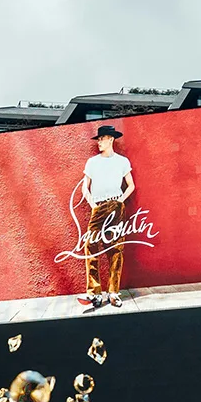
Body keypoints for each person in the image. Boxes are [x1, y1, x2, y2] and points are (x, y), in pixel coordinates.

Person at [78, 124, 135, 309]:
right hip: (98, 206)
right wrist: (93, 204)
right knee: (91, 246)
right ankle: (94, 294)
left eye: (102, 139)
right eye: (99, 139)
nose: (99, 142)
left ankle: (113, 292)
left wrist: (120, 201)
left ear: (111, 139)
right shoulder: (92, 162)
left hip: (115, 207)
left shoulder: (122, 161)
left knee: (116, 249)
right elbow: (84, 187)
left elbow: (131, 186)